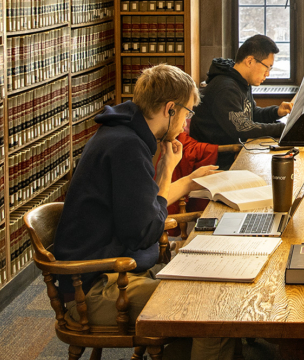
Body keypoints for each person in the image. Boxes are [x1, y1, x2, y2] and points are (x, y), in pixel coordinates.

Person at [52, 64, 234, 359]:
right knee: (210, 308)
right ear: (170, 109)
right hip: (98, 287)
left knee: (213, 285)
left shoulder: (124, 133)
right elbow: (143, 231)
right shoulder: (127, 147)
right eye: (188, 113)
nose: (187, 123)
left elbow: (148, 208)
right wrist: (170, 179)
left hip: (114, 268)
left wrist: (172, 173)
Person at [189, 34, 294, 168]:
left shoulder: (241, 82)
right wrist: (285, 129)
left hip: (234, 154)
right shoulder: (225, 88)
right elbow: (243, 129)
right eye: (267, 67)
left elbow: (251, 114)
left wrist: (276, 112)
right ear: (250, 61)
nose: (268, 73)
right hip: (216, 163)